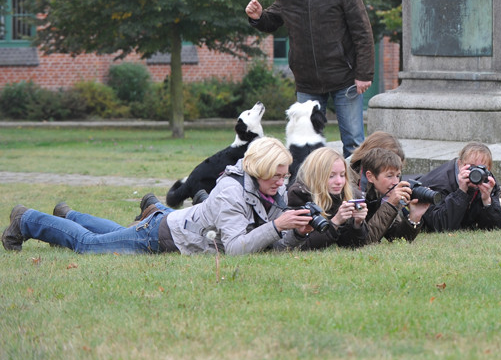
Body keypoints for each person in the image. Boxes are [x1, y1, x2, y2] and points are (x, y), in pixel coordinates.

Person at [3, 138, 312, 255]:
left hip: (170, 222)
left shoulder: (273, 190)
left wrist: (294, 232)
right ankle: (26, 219)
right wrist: (276, 225)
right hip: (162, 235)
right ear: (259, 168)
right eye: (278, 173)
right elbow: (233, 248)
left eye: (285, 174)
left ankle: (69, 216)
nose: (283, 181)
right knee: (87, 245)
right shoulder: (232, 190)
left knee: (113, 233)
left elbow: (273, 246)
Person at [245, 0, 375, 157]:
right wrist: (258, 17)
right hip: (307, 83)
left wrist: (364, 73)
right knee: (305, 147)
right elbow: (272, 20)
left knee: (353, 144)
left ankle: (356, 191)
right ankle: (307, 191)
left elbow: (362, 31)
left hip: (345, 79)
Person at [287, 146, 369, 250]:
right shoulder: (299, 194)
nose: (339, 181)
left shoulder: (349, 194)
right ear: (316, 176)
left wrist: (358, 223)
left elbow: (351, 244)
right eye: (331, 176)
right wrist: (336, 221)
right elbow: (304, 245)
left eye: (342, 175)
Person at [416, 142, 501, 233]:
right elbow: (440, 226)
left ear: (488, 169)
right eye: (471, 167)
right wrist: (461, 192)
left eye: (481, 168)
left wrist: (487, 201)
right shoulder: (440, 183)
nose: (476, 173)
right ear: (460, 164)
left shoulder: (488, 181)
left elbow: (497, 227)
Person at [360, 147, 428, 243]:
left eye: (398, 176)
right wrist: (390, 204)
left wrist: (414, 217)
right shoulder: (357, 194)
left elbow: (396, 237)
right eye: (389, 176)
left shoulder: (383, 193)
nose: (396, 182)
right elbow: (365, 240)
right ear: (370, 177)